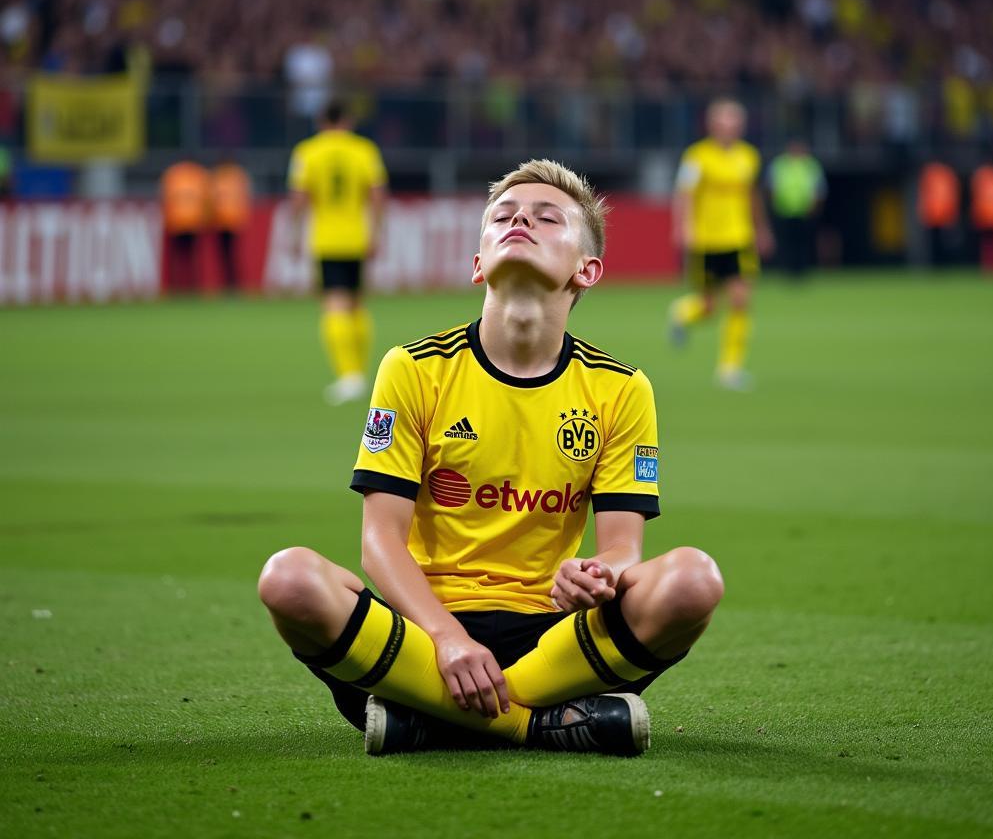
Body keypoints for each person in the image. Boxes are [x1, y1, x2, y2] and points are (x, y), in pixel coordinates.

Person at [258, 160, 723, 757]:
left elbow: (622, 548)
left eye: (546, 216)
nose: (520, 219)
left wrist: (598, 573)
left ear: (588, 269)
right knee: (289, 578)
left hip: (557, 639)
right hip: (424, 634)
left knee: (694, 579)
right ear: (478, 264)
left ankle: (433, 717)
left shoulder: (622, 388)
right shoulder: (414, 368)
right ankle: (532, 724)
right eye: (503, 216)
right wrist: (449, 639)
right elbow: (379, 543)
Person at [668, 98, 774, 391]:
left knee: (741, 299)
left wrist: (761, 228)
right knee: (709, 306)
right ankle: (681, 313)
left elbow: (753, 195)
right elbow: (684, 194)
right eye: (725, 121)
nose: (731, 127)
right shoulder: (697, 157)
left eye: (736, 122)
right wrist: (682, 227)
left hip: (739, 238)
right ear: (713, 125)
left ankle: (730, 369)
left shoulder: (748, 157)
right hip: (706, 240)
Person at [288, 98, 388, 405]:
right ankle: (360, 371)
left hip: (327, 239)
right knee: (356, 305)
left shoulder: (307, 151)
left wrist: (295, 234)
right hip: (357, 236)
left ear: (321, 121)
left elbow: (299, 198)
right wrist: (376, 233)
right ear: (348, 121)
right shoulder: (364, 150)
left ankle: (349, 376)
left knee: (334, 306)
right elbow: (377, 195)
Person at [767, 140, 826, 277]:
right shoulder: (780, 164)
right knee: (787, 243)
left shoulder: (811, 165)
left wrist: (814, 207)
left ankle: (802, 271)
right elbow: (771, 186)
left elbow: (819, 189)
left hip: (804, 211)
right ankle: (787, 270)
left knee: (802, 243)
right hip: (784, 210)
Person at [160, 159, 210, 293]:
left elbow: (166, 198)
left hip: (179, 222)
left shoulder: (173, 175)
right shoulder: (199, 175)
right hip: (190, 222)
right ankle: (190, 286)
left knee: (180, 258)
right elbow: (206, 200)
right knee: (190, 257)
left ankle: (177, 286)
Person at [210, 158, 252, 291]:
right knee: (229, 256)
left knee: (228, 256)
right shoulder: (237, 176)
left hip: (225, 221)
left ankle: (231, 283)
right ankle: (231, 283)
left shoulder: (219, 177)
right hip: (228, 221)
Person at [917, 161, 961, 267]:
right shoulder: (934, 173)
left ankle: (943, 264)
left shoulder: (938, 174)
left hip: (942, 213)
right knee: (934, 242)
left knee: (943, 242)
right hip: (934, 213)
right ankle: (935, 265)